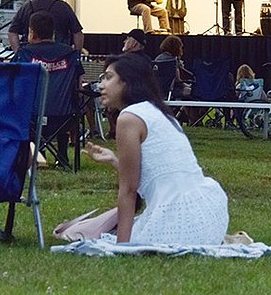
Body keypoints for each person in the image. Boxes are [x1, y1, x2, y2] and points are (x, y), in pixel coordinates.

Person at [84, 53, 229, 245]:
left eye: (108, 77)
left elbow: (128, 190)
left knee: (88, 233)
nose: (101, 85)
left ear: (127, 82)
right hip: (209, 216)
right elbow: (160, 176)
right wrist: (114, 160)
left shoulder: (129, 118)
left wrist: (122, 246)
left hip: (178, 218)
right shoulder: (158, 112)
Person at [12, 11, 84, 166]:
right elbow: (78, 84)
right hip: (64, 118)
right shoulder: (70, 54)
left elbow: (12, 83)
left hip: (31, 118)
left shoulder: (24, 54)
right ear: (53, 32)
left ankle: (36, 156)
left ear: (31, 32)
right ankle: (62, 156)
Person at [7, 0, 84, 53]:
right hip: (59, 54)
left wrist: (18, 53)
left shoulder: (26, 7)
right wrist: (76, 54)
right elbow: (77, 33)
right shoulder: (63, 7)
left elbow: (12, 32)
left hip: (32, 54)